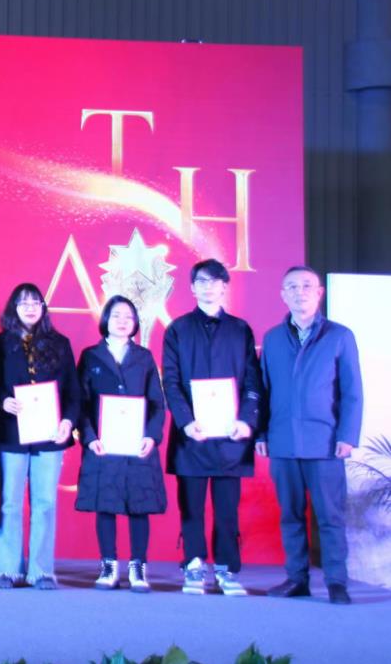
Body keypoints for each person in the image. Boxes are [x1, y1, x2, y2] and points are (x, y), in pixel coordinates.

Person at [258, 266, 363, 605]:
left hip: (326, 443)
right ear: (282, 295)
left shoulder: (339, 336)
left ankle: (336, 582)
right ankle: (297, 579)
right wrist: (261, 433)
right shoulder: (273, 338)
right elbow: (263, 390)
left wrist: (347, 435)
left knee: (330, 517)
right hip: (283, 442)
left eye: (306, 286)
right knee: (290, 515)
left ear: (319, 293)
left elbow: (352, 392)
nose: (299, 292)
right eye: (292, 286)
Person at [162, 258, 261, 596]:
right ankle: (193, 564)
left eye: (215, 281)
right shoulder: (177, 329)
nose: (208, 287)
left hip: (231, 436)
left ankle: (227, 569)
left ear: (224, 287)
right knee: (191, 508)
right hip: (192, 434)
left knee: (227, 510)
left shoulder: (241, 330)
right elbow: (171, 381)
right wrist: (186, 422)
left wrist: (247, 420)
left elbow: (252, 381)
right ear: (192, 288)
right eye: (201, 281)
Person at [0, 283, 79, 590]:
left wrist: (68, 421)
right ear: (13, 308)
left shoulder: (60, 344)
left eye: (35, 302)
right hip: (11, 432)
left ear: (43, 308)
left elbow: (73, 390)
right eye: (23, 303)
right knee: (10, 503)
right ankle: (6, 568)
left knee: (45, 502)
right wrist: (2, 401)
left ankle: (41, 570)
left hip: (50, 434)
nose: (30, 308)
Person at [75, 296, 166, 593]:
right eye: (116, 315)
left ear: (136, 322)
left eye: (129, 316)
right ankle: (109, 565)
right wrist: (90, 437)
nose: (123, 321)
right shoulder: (91, 356)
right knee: (106, 504)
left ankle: (138, 566)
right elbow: (80, 402)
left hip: (137, 443)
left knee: (140, 504)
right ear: (106, 320)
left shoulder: (144, 357)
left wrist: (151, 436)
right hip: (103, 444)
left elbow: (157, 402)